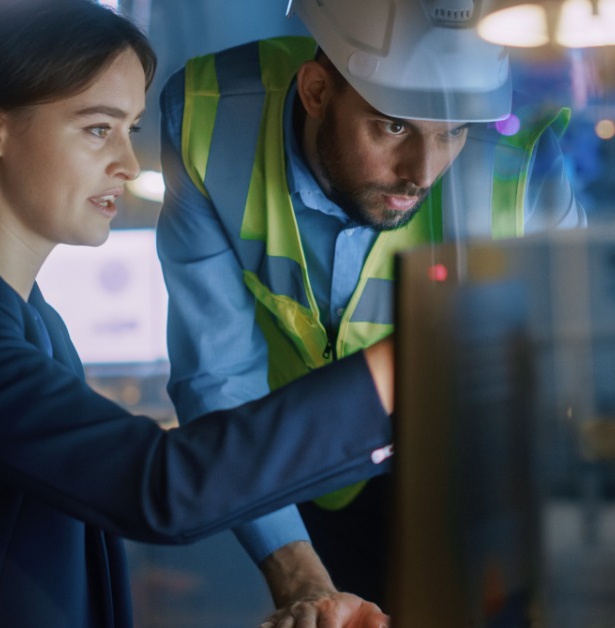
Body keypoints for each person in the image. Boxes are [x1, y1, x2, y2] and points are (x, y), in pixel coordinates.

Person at [0, 1, 397, 626]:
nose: (129, 164)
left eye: (131, 130)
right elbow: (157, 487)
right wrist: (394, 376)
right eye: (97, 129)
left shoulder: (25, 312)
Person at [156, 0, 587, 609]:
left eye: (454, 132)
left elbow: (572, 371)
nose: (424, 172)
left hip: (464, 471)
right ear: (315, 90)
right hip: (281, 468)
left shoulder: (523, 158)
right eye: (394, 126)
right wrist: (300, 576)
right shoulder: (209, 117)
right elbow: (217, 375)